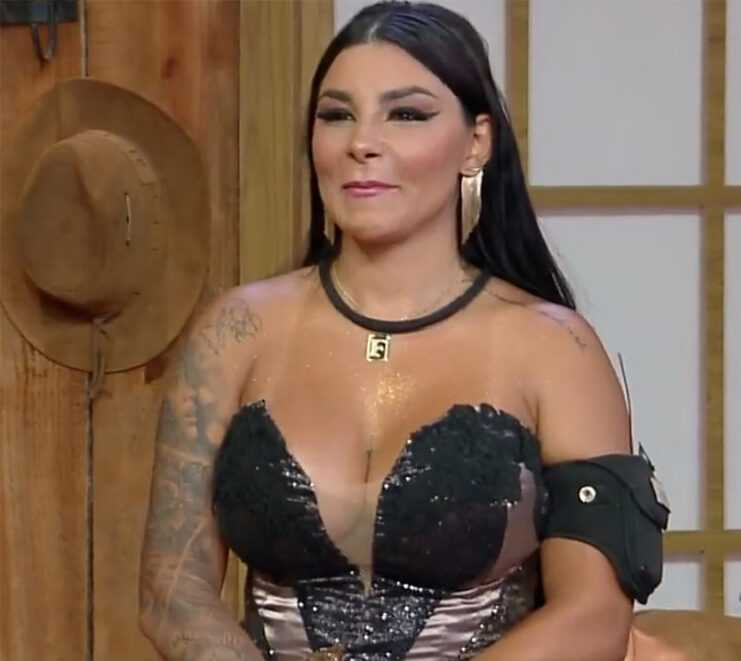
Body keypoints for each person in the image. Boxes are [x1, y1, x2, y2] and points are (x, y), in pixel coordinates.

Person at [138, 2, 668, 660]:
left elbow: (592, 616)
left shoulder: (557, 349)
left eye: (407, 114)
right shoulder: (236, 332)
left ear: (476, 141)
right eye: (337, 115)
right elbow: (172, 587)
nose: (362, 142)